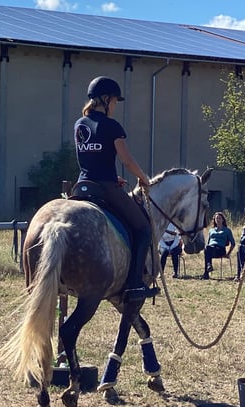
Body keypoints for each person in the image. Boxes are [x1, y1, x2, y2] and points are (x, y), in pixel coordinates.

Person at [73, 76, 157, 302]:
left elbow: (91, 158)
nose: (115, 106)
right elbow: (127, 161)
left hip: (82, 186)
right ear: (106, 99)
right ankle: (134, 285)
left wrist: (112, 176)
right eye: (115, 102)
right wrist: (144, 179)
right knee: (144, 229)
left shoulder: (79, 124)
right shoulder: (112, 126)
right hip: (106, 188)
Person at [200, 211, 235, 280]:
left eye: (219, 218)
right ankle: (208, 267)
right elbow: (209, 241)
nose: (218, 220)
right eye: (216, 218)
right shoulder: (211, 230)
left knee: (207, 251)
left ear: (222, 220)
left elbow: (233, 243)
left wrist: (228, 253)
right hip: (211, 249)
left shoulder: (227, 230)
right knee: (207, 249)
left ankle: (207, 271)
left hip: (220, 249)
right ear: (214, 220)